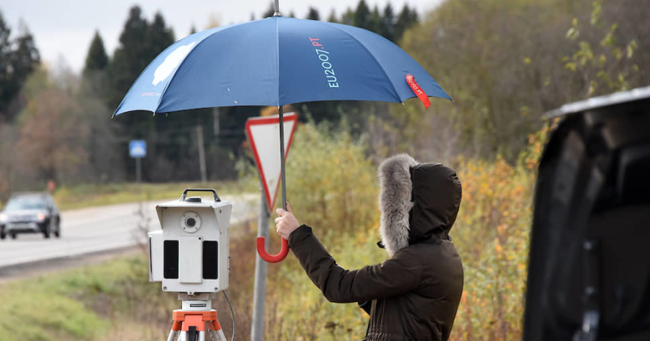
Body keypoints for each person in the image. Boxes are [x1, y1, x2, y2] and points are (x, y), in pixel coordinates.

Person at [275, 154, 464, 341]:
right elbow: (404, 315)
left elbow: (337, 286)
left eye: (398, 204)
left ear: (416, 209)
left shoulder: (418, 262)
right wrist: (367, 287)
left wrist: (297, 235)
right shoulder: (442, 255)